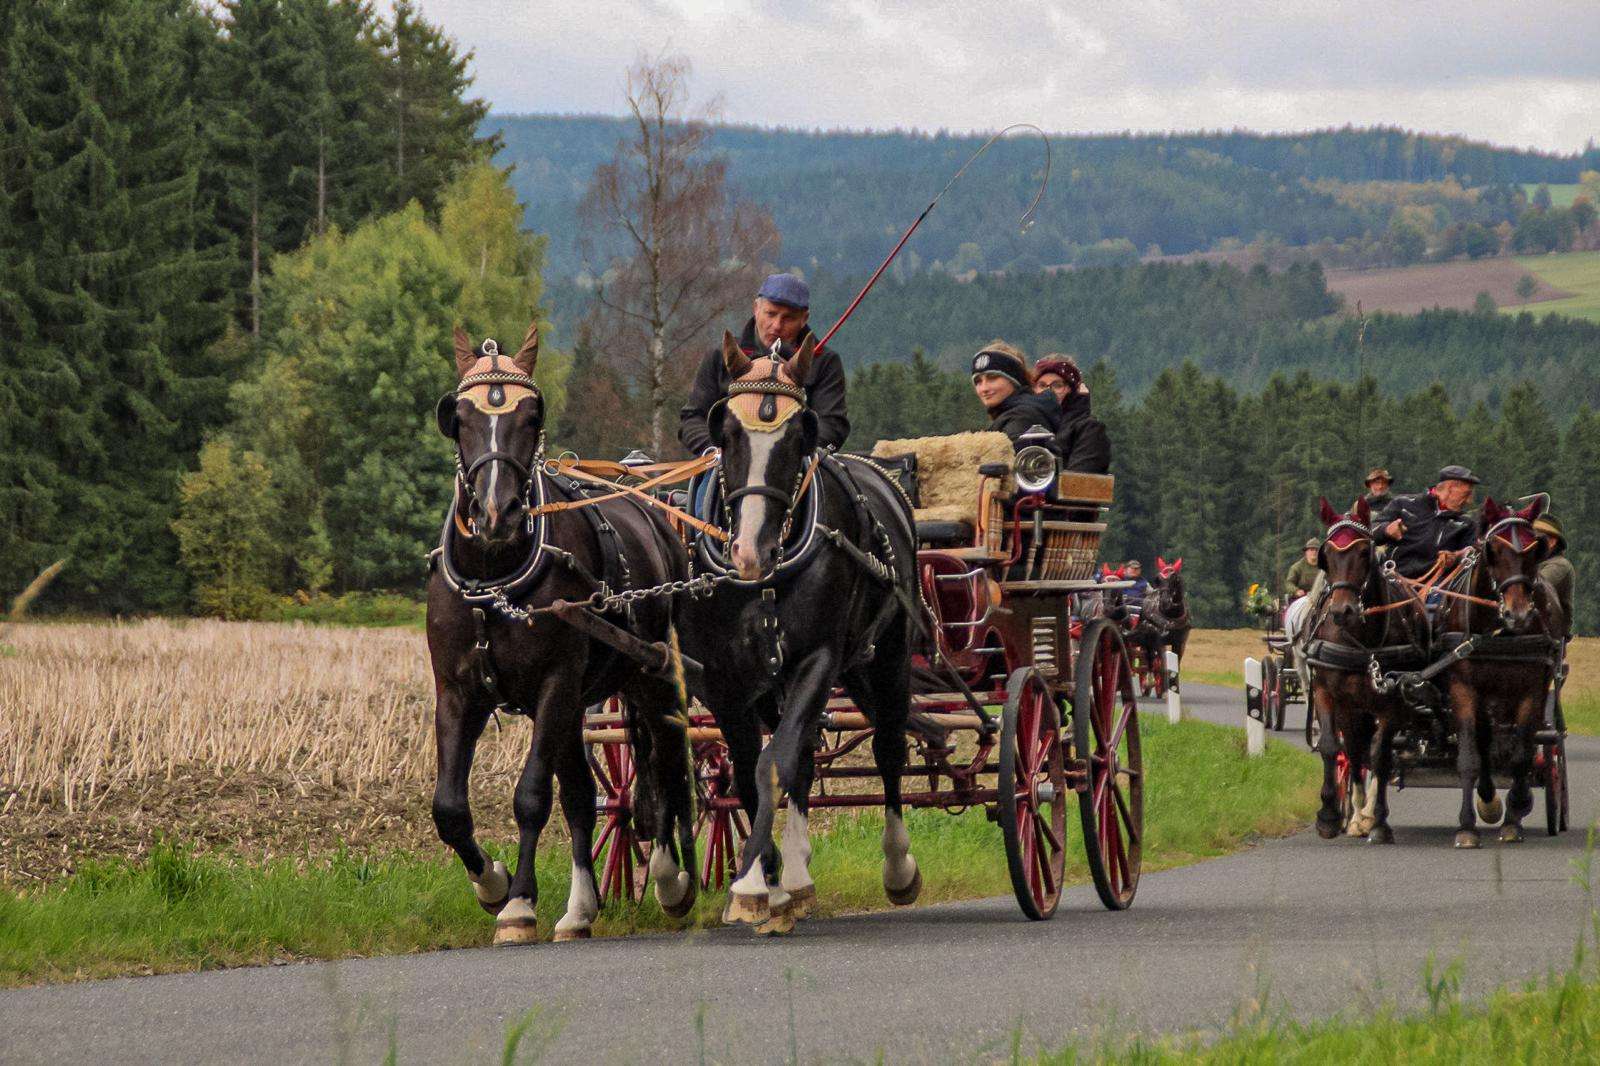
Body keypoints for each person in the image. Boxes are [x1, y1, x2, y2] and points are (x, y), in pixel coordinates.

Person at [678, 273, 849, 456]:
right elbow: (692, 419)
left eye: (788, 318)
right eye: (771, 314)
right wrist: (718, 450)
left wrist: (790, 453)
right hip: (723, 465)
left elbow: (832, 424)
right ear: (756, 308)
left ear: (804, 319)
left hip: (798, 466)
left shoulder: (824, 361)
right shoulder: (719, 358)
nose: (776, 325)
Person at [1372, 465, 1479, 579]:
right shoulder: (1403, 504)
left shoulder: (1467, 524)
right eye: (1466, 494)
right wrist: (1386, 530)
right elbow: (1370, 532)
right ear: (1450, 488)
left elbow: (1471, 553)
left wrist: (1457, 556)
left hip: (1438, 586)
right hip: (1394, 578)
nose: (1469, 501)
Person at [970, 340, 1061, 447]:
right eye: (978, 382)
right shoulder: (1015, 414)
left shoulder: (1022, 418)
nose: (984, 388)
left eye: (992, 378)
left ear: (1015, 380)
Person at [1033, 354, 1111, 473]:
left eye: (1057, 385)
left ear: (1072, 390)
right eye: (1042, 385)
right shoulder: (1027, 423)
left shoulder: (1089, 429)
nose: (1048, 392)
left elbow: (1079, 482)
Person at [1534, 513, 1574, 637]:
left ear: (1551, 542)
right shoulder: (1533, 564)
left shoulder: (1560, 565)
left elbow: (1536, 587)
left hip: (1547, 640)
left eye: (1535, 538)